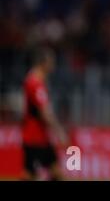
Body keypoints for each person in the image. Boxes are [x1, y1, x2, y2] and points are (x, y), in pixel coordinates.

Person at [21, 47, 68, 180]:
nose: (54, 64)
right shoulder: (36, 84)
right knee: (51, 173)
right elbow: (45, 112)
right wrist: (59, 131)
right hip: (35, 138)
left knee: (49, 172)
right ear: (44, 63)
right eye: (52, 61)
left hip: (36, 136)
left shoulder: (34, 80)